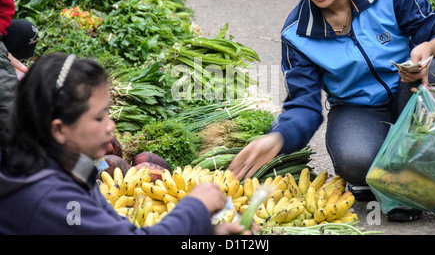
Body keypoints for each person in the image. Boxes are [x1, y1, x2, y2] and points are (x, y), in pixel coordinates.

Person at [229, 0, 435, 222]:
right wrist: (277, 137)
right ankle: (380, 173)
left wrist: (428, 49)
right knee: (355, 161)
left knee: (430, 74)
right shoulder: (296, 34)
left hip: (409, 89)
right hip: (357, 109)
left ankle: (406, 168)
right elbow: (304, 106)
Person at [0, 52, 251, 235]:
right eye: (99, 117)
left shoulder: (68, 168)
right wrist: (195, 207)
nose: (111, 127)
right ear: (59, 129)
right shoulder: (52, 198)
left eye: (108, 113)